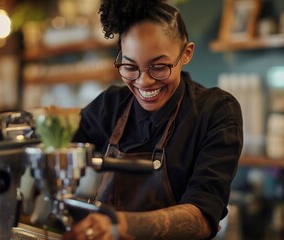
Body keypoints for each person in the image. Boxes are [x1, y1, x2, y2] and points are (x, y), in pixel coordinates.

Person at [65, 0, 243, 239]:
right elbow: (59, 148)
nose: (144, 82)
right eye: (130, 66)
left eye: (159, 67)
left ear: (186, 53)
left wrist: (120, 225)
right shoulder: (111, 105)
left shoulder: (215, 112)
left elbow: (202, 217)